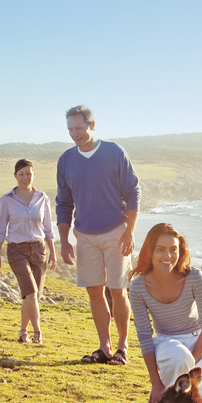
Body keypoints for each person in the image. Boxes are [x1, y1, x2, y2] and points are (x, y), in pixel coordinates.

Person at [56, 105, 140, 365]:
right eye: (70, 129)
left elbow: (133, 192)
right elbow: (63, 203)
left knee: (118, 290)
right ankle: (104, 347)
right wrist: (64, 241)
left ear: (92, 125)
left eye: (79, 128)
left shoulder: (115, 152)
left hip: (116, 232)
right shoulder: (66, 160)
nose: (75, 134)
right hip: (84, 235)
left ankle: (122, 347)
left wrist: (130, 231)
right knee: (94, 291)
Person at [129, 223, 202, 403]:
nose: (168, 256)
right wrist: (156, 383)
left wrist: (193, 366)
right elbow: (145, 335)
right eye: (160, 250)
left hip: (200, 344)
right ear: (150, 252)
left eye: (173, 249)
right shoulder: (138, 287)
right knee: (178, 357)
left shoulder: (194, 277)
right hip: (167, 345)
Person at [0, 159, 57, 343]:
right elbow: (0, 229)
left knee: (31, 295)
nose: (25, 177)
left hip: (39, 249)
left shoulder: (42, 198)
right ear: (15, 176)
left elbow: (48, 228)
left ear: (34, 174)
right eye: (21, 174)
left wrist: (53, 251)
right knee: (32, 292)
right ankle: (38, 333)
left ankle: (23, 332)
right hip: (17, 250)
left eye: (28, 173)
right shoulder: (6, 200)